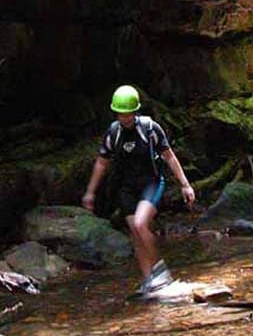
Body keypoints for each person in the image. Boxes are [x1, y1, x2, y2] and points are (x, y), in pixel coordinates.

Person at [81, 85, 196, 296]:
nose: (125, 118)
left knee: (141, 223)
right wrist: (90, 192)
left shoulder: (150, 129)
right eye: (121, 113)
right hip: (126, 188)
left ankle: (160, 271)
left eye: (129, 113)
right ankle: (149, 281)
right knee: (135, 232)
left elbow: (169, 156)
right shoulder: (113, 133)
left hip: (151, 183)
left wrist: (185, 185)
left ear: (136, 111)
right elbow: (101, 163)